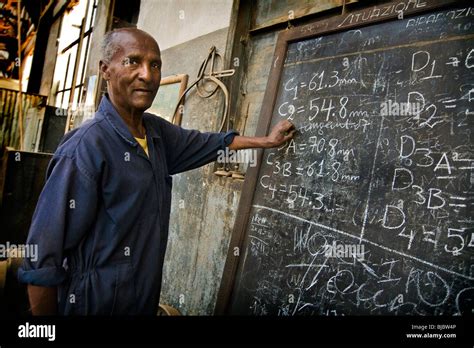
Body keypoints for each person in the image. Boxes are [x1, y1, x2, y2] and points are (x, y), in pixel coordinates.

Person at [18, 28, 295, 315]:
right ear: (105, 70)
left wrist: (266, 141)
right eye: (133, 62)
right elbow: (42, 260)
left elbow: (210, 143)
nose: (147, 75)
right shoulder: (84, 148)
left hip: (141, 300)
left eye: (155, 65)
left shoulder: (156, 133)